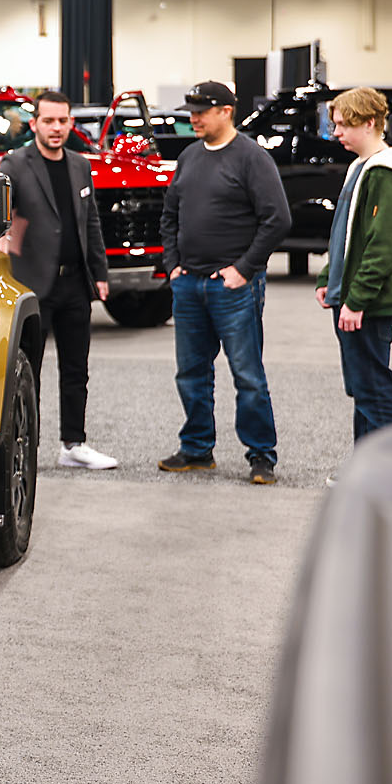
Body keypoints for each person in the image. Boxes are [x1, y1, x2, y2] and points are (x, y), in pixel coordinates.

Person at [158, 80, 291, 484]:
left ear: (226, 112)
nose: (194, 119)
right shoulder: (189, 157)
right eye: (191, 112)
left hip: (234, 287)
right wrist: (173, 264)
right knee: (191, 373)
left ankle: (261, 456)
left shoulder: (252, 158)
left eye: (201, 112)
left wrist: (245, 269)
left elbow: (277, 219)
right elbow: (170, 215)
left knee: (247, 375)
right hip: (189, 284)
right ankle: (197, 449)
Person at [0, 90, 118, 470]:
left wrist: (99, 273)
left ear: (71, 123)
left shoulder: (80, 165)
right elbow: (4, 221)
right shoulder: (15, 164)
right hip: (32, 284)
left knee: (76, 369)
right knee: (27, 370)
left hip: (75, 284)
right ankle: (24, 448)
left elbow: (91, 222)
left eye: (63, 121)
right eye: (48, 121)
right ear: (34, 124)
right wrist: (7, 258)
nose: (56, 128)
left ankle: (73, 445)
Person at [314, 87, 392, 461]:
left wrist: (357, 299)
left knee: (374, 388)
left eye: (344, 125)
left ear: (370, 123)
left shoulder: (386, 175)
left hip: (369, 303)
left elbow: (383, 246)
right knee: (363, 388)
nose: (337, 133)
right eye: (335, 125)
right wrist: (328, 277)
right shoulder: (360, 168)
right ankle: (365, 467)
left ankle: (384, 472)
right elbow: (346, 235)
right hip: (350, 297)